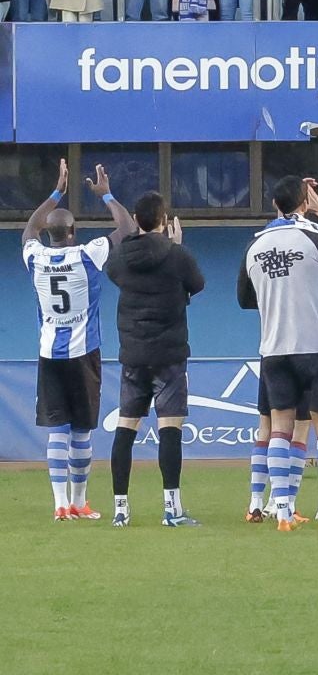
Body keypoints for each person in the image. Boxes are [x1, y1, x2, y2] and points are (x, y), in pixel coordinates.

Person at [237, 177, 318, 532]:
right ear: (305, 203)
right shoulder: (315, 240)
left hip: (274, 349)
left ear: (274, 205)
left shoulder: (254, 245)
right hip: (314, 346)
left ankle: (284, 512)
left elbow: (244, 299)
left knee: (280, 427)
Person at [23, 160, 132, 521]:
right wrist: (107, 194)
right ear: (74, 231)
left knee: (58, 428)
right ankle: (80, 501)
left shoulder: (36, 258)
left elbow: (28, 231)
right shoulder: (86, 255)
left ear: (50, 233)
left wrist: (56, 191)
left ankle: (59, 505)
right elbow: (127, 228)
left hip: (48, 353)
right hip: (84, 352)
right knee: (82, 429)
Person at [103, 191, 206, 528]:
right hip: (169, 354)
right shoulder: (176, 255)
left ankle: (121, 509)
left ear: (136, 219)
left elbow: (113, 272)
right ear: (164, 220)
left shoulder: (120, 257)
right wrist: (177, 245)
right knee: (170, 429)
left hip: (133, 353)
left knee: (126, 427)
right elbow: (197, 284)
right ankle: (172, 509)